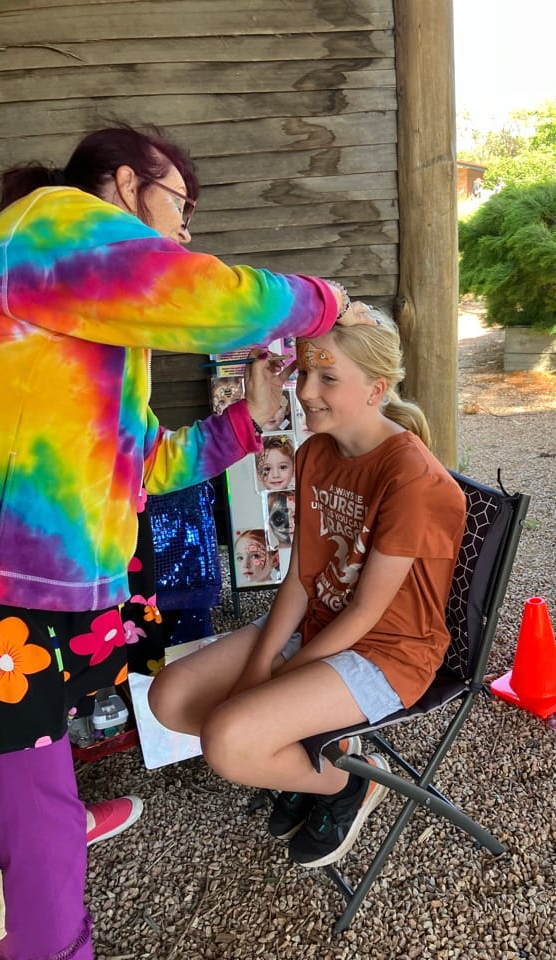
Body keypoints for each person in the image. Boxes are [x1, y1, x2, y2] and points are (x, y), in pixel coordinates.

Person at [0, 121, 372, 960]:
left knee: (30, 767)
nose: (186, 231)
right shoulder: (54, 225)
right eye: (180, 205)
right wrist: (328, 302)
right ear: (126, 183)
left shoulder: (85, 307)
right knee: (27, 809)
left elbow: (144, 463)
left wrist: (248, 421)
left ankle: (52, 820)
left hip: (34, 582)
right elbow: (207, 298)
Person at [149, 312, 467, 870]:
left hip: (386, 652)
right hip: (318, 623)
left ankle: (349, 783)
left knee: (227, 742)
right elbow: (301, 574)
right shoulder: (316, 452)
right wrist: (261, 662)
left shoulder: (410, 479)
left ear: (376, 389)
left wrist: (277, 677)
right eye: (304, 374)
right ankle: (306, 760)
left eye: (328, 378)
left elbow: (366, 612)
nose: (306, 392)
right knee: (169, 698)